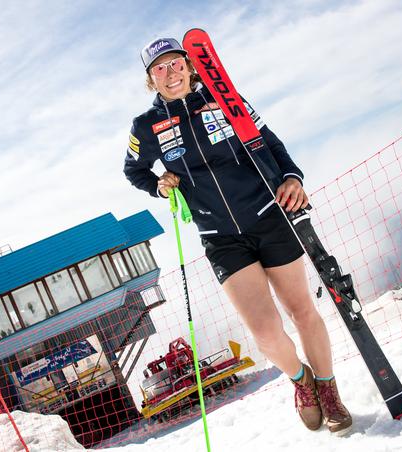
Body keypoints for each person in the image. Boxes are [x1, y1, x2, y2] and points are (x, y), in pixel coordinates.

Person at [123, 37, 352, 435]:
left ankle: (329, 391)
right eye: (159, 68)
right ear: (150, 79)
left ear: (191, 66)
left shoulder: (223, 96)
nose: (170, 73)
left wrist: (293, 177)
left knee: (302, 311)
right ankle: (302, 382)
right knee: (265, 333)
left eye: (176, 63)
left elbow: (270, 141)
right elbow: (133, 169)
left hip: (268, 215)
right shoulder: (146, 127)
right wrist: (159, 185)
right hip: (220, 236)